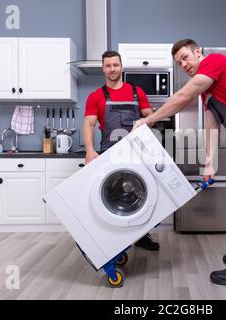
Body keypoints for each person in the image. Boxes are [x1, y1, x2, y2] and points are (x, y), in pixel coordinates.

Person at [133, 39, 226, 285]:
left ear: (198, 51)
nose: (183, 64)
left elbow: (184, 96)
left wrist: (151, 119)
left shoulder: (215, 62)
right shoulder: (208, 92)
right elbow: (211, 128)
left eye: (185, 57)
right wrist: (209, 164)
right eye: (178, 62)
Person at [83, 50, 160, 251]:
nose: (112, 69)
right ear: (103, 68)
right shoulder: (95, 96)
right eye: (108, 65)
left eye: (115, 65)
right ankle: (116, 240)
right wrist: (90, 151)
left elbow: (150, 117)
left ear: (121, 66)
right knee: (113, 195)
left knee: (142, 192)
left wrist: (145, 121)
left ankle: (142, 236)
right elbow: (89, 124)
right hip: (109, 152)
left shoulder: (137, 92)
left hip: (137, 152)